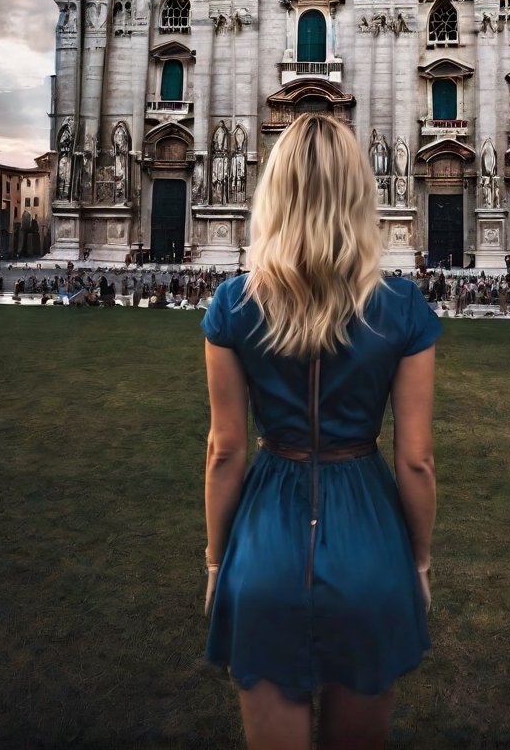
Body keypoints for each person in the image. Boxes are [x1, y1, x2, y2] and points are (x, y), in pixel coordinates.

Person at [201, 114, 441, 750]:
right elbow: (417, 461)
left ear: (271, 192)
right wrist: (417, 563)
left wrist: (216, 562)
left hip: (264, 548)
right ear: (360, 194)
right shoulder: (404, 306)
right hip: (370, 542)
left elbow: (223, 451)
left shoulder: (231, 304)